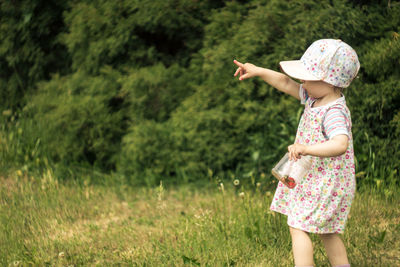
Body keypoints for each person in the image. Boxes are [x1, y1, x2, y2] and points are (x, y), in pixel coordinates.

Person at [233, 39, 360, 267]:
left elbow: (340, 143)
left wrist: (306, 148)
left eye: (307, 78)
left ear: (329, 81)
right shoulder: (315, 98)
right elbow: (284, 82)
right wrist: (258, 70)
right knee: (327, 231)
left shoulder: (333, 112)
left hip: (326, 183)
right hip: (315, 180)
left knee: (298, 225)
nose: (302, 82)